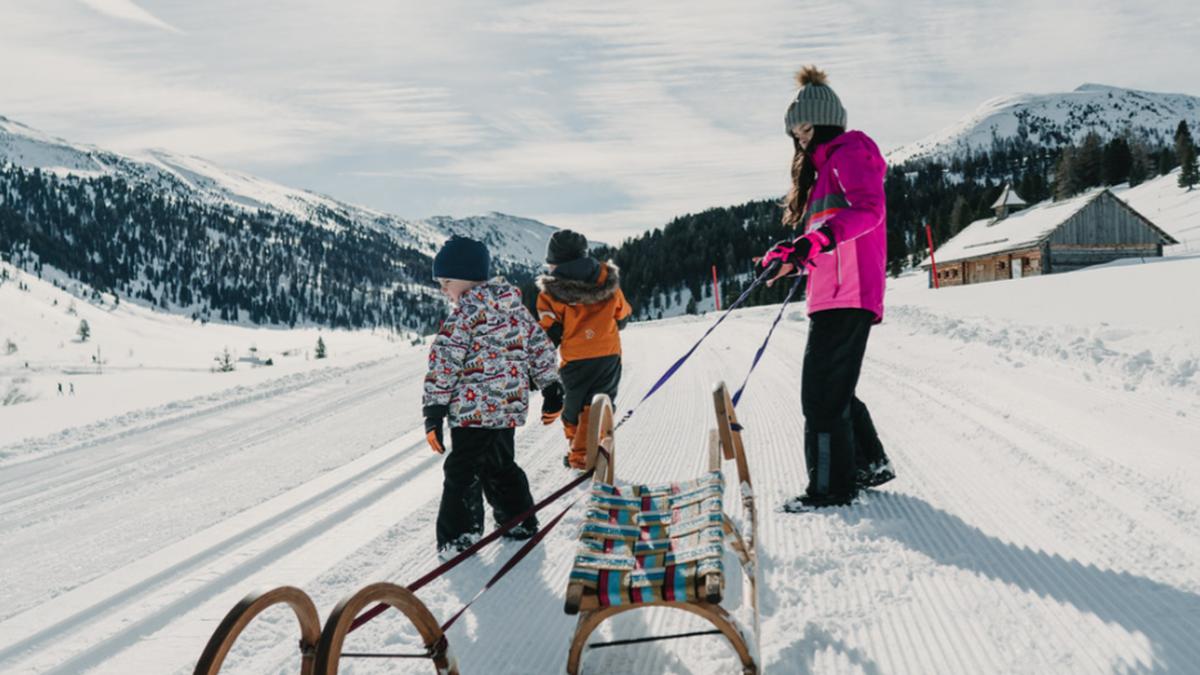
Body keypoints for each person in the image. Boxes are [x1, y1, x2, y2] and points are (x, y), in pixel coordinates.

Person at [757, 65, 895, 511]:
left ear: (823, 123)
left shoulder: (850, 154)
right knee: (834, 389)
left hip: (849, 293)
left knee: (819, 397)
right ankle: (869, 464)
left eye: (803, 128)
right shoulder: (824, 171)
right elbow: (828, 238)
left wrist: (815, 240)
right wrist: (792, 258)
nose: (798, 139)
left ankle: (831, 490)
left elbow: (869, 211)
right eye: (794, 132)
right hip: (834, 292)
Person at [423, 235, 564, 558]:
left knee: (463, 471)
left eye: (447, 281)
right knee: (500, 466)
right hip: (506, 409)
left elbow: (444, 363)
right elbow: (540, 348)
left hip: (472, 412)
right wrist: (551, 388)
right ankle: (519, 521)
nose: (443, 289)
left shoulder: (464, 315)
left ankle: (459, 536)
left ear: (469, 278)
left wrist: (434, 409)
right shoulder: (514, 307)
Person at [535, 230, 632, 470]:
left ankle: (581, 458)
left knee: (574, 412)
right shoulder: (608, 283)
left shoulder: (551, 293)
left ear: (554, 262)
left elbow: (549, 332)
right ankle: (594, 447)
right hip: (609, 355)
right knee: (601, 402)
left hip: (576, 361)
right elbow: (624, 316)